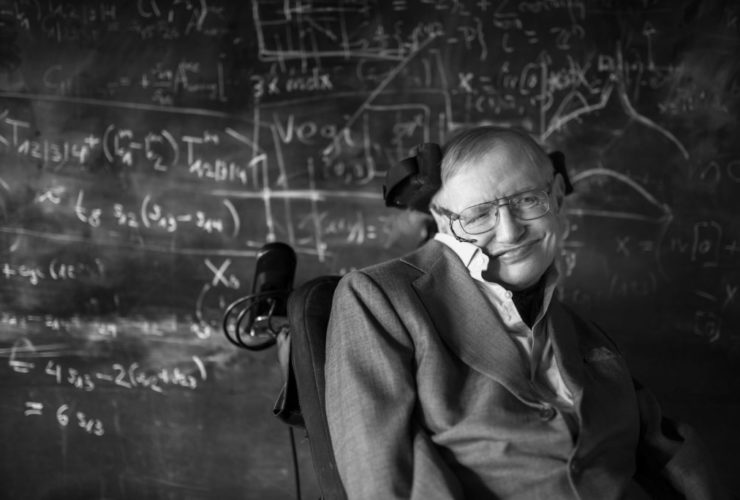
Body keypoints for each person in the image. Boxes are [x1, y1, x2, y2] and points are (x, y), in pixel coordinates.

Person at [324, 126, 728, 499]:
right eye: (478, 215)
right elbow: (388, 482)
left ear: (556, 196)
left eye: (527, 200)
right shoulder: (380, 298)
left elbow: (668, 450)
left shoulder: (587, 336)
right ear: (442, 222)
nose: (510, 231)